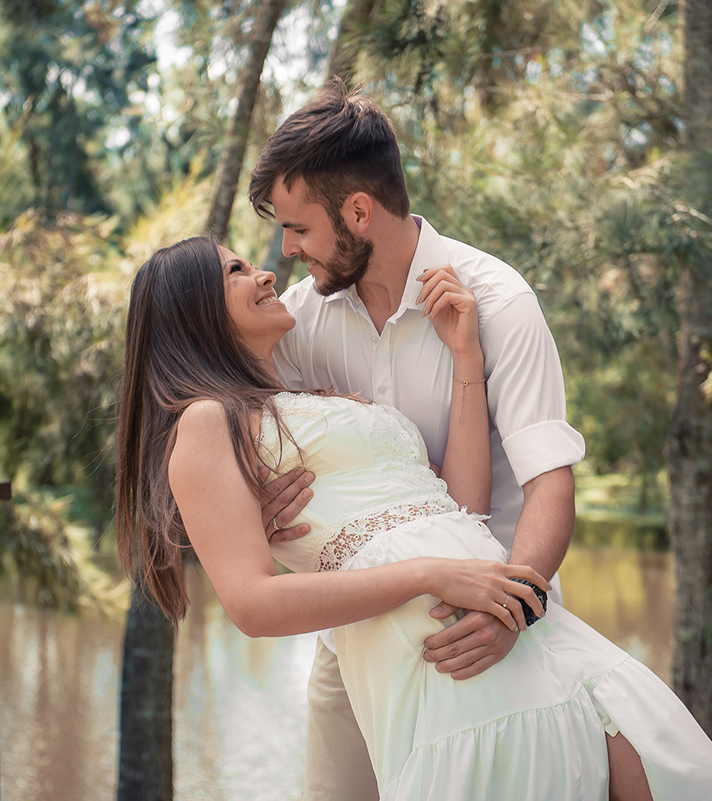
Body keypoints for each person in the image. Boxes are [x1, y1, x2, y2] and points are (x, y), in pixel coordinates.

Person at [114, 235, 712, 801]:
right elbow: (251, 605)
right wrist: (429, 575)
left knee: (686, 778)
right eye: (235, 270)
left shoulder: (307, 397)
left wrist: (465, 360)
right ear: (193, 310)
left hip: (515, 619)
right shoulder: (204, 423)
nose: (266, 273)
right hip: (436, 652)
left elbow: (460, 505)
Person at [245, 82, 611, 801]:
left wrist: (515, 608)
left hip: (484, 630)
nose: (287, 252)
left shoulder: (498, 301)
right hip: (350, 637)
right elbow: (237, 429)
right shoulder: (299, 319)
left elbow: (550, 483)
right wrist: (255, 503)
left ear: (358, 212)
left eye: (299, 228)